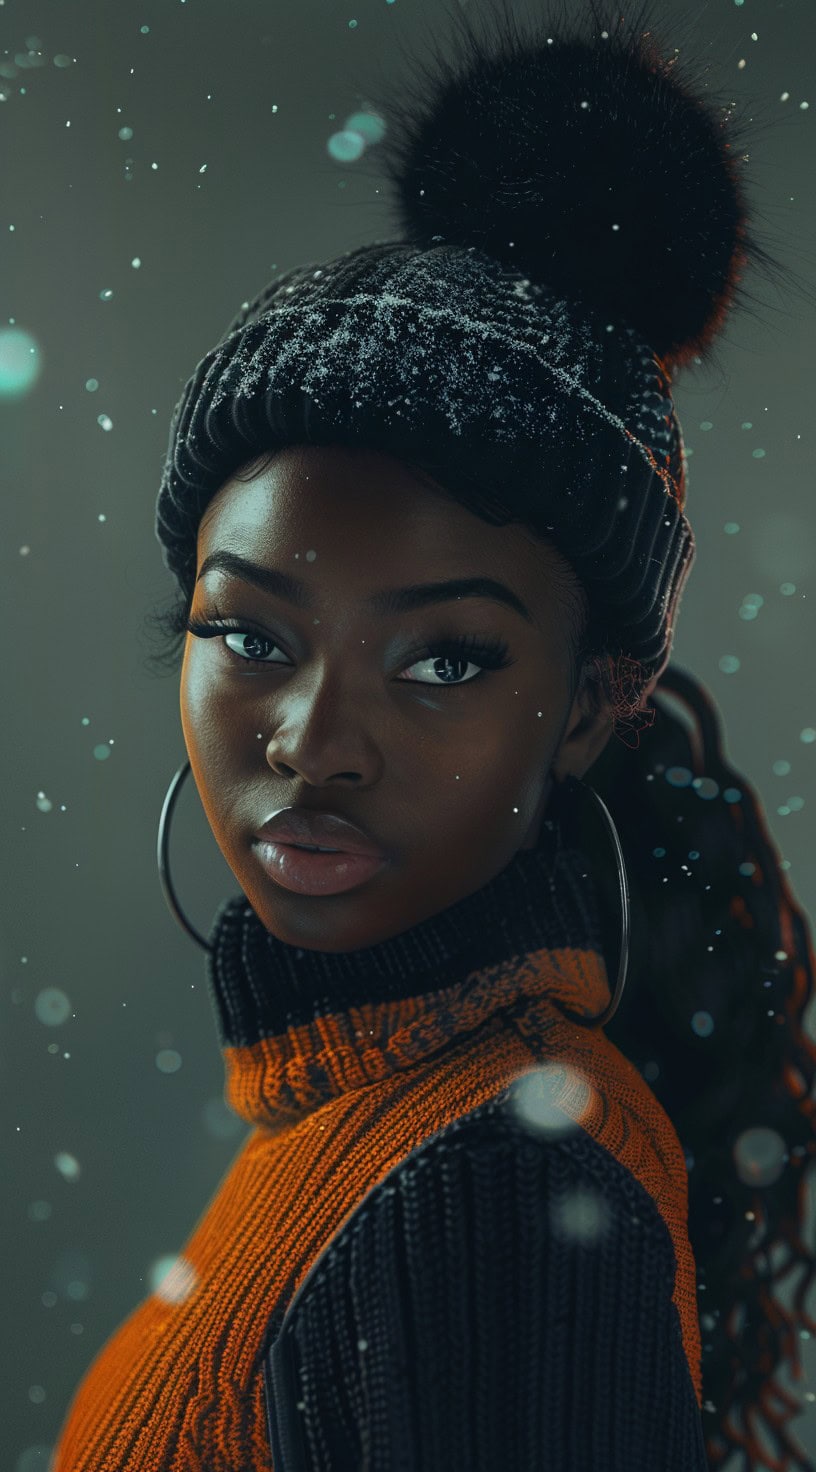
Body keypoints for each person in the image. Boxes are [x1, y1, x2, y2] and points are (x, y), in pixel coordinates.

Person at [52, 1, 816, 1468]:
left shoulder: (491, 1183)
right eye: (252, 636)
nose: (315, 739)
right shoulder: (361, 1123)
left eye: (446, 658)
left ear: (595, 704)